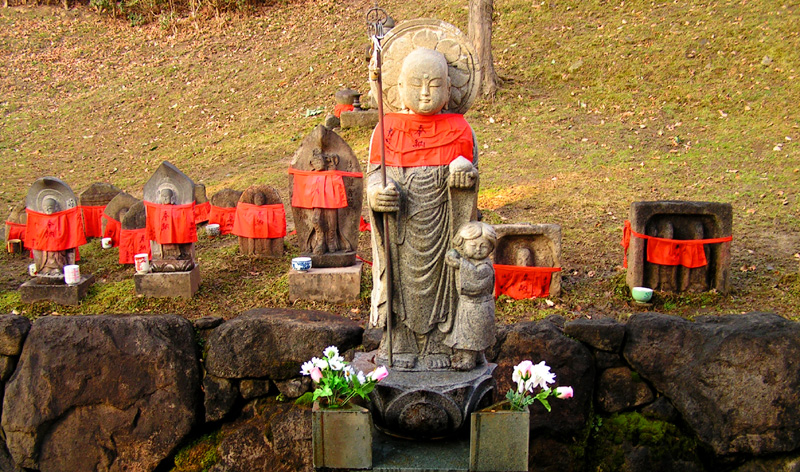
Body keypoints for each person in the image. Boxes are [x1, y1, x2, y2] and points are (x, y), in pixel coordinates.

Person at [368, 47, 479, 370]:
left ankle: (440, 346)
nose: (426, 92)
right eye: (416, 84)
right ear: (400, 88)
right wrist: (377, 195)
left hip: (444, 226)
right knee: (400, 284)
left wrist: (464, 177)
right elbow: (375, 176)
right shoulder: (385, 129)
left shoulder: (461, 129)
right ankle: (399, 341)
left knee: (446, 281)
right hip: (401, 228)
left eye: (434, 84)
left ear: (449, 88)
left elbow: (471, 180)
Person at [443, 222, 497, 371]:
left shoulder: (484, 267)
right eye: (473, 246)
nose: (478, 250)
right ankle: (475, 356)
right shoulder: (472, 262)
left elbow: (475, 280)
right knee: (467, 332)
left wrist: (460, 264)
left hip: (477, 306)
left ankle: (469, 359)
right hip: (468, 306)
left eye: (483, 246)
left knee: (472, 334)